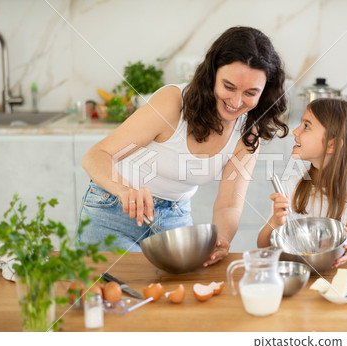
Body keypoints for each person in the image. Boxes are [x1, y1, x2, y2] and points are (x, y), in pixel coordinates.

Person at [78, 26, 289, 266]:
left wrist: (222, 238)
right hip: (114, 210)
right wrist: (125, 190)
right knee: (121, 292)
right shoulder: (173, 103)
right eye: (229, 87)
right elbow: (96, 156)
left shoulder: (248, 131)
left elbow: (229, 202)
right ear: (211, 76)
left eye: (251, 93)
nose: (237, 102)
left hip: (174, 219)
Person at [257, 98, 347, 267]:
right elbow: (263, 246)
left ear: (332, 144)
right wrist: (275, 222)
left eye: (306, 126)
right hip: (305, 277)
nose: (295, 131)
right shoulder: (292, 182)